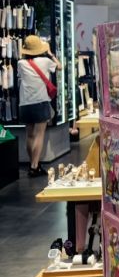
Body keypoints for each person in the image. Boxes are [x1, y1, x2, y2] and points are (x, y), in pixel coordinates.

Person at [18, 35, 61, 177]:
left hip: (25, 103)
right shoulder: (46, 61)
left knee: (29, 135)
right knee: (39, 134)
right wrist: (50, 54)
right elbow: (60, 67)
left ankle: (33, 164)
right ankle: (34, 167)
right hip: (40, 101)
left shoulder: (20, 63)